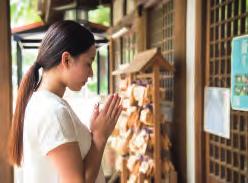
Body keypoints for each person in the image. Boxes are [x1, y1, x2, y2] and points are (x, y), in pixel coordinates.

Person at [8, 20, 122, 183]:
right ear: (67, 59)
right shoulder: (53, 112)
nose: (91, 73)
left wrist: (93, 133)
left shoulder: (47, 104)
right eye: (88, 63)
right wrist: (99, 137)